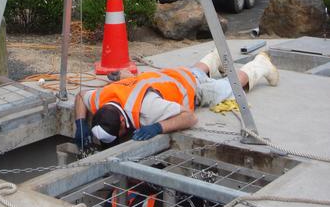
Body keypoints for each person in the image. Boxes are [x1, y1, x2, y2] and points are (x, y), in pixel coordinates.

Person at [74, 49, 279, 150]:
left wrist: (158, 128)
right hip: (171, 76)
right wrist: (80, 122)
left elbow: (189, 118)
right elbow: (81, 96)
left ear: (121, 122)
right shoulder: (101, 98)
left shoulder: (148, 109)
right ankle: (212, 58)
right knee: (194, 72)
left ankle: (260, 65)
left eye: (117, 134)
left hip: (190, 87)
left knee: (228, 87)